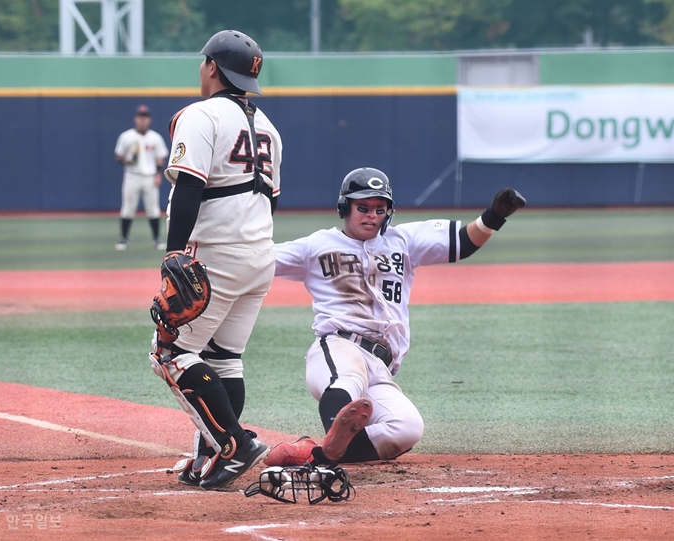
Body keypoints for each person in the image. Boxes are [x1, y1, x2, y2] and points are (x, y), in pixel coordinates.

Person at [264, 167, 525, 466]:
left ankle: (312, 453)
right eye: (362, 208)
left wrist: (495, 215)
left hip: (382, 367)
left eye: (379, 209)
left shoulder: (404, 241)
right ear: (344, 207)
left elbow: (463, 242)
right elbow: (259, 260)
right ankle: (330, 456)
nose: (371, 215)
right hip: (339, 347)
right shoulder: (315, 246)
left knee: (407, 427)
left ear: (389, 212)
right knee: (347, 381)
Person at [148, 29, 282, 491]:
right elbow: (271, 202)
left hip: (216, 254)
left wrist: (173, 252)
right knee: (224, 359)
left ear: (211, 68)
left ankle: (235, 444)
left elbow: (189, 187)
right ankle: (212, 456)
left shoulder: (201, 115)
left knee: (169, 354)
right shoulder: (268, 127)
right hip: (261, 254)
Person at [114, 104, 169, 250]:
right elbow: (118, 155)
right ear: (135, 119)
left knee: (153, 209)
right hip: (132, 175)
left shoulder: (155, 138)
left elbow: (160, 158)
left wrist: (158, 174)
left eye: (145, 117)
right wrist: (126, 160)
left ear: (149, 120)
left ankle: (157, 239)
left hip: (150, 177)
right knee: (128, 208)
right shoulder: (126, 137)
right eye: (140, 117)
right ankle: (123, 239)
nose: (143, 120)